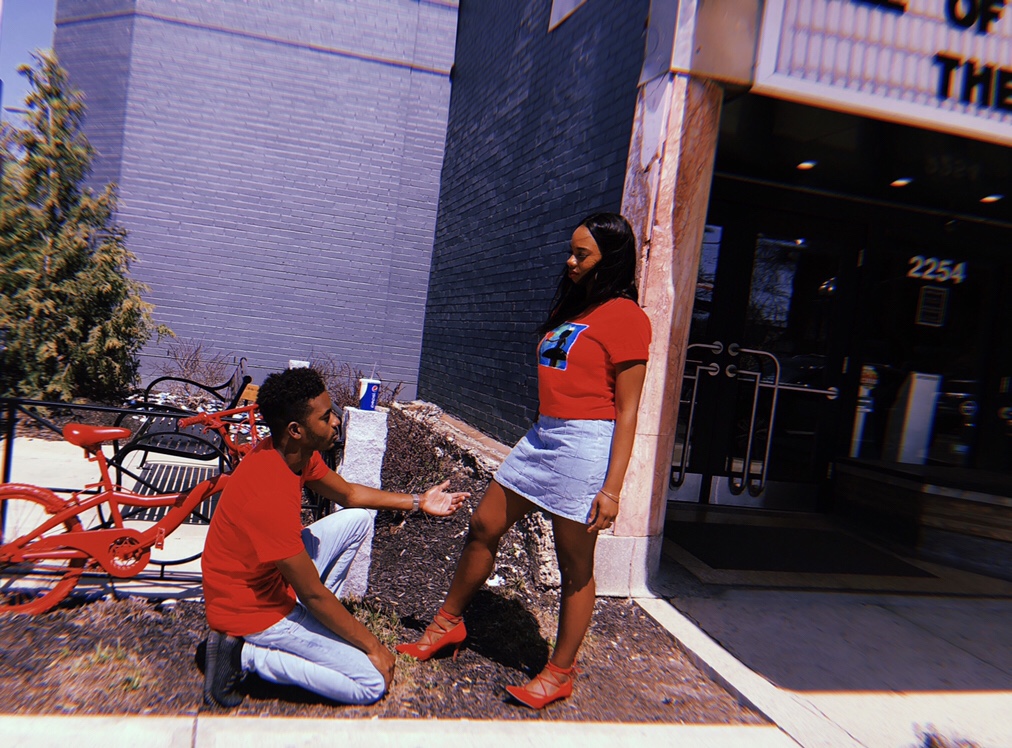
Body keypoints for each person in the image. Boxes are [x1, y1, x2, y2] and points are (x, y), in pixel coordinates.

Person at [395, 212, 651, 709]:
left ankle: (559, 673)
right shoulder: (579, 307)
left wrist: (612, 488)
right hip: (543, 436)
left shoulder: (626, 316)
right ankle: (447, 626)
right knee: (484, 524)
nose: (570, 261)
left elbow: (628, 410)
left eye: (582, 254)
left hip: (585, 445)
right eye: (571, 251)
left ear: (610, 259)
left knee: (575, 565)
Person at [201, 367, 469, 707]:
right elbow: (312, 593)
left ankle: (320, 624)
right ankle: (244, 655)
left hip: (266, 579)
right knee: (371, 682)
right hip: (248, 610)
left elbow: (349, 495)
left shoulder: (294, 454)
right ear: (296, 430)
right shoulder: (267, 495)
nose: (336, 422)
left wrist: (419, 501)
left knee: (357, 519)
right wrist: (373, 646)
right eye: (326, 417)